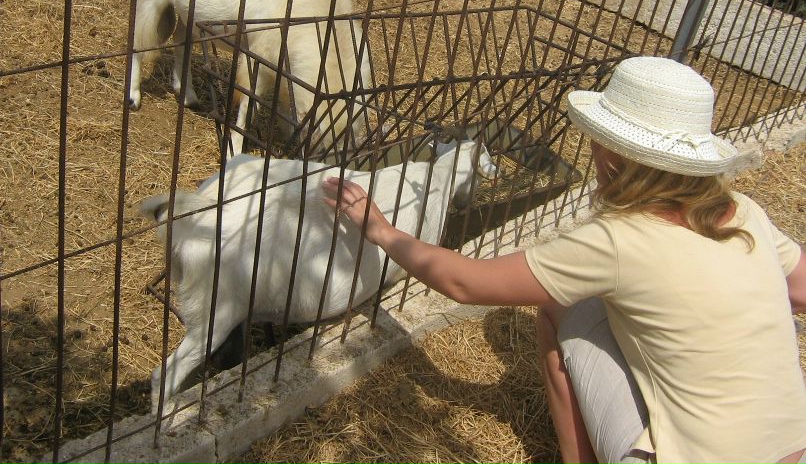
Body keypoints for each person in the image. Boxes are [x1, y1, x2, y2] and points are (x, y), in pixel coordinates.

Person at [321, 56, 806, 463]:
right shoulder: (744, 212)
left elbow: (466, 283)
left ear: (615, 155)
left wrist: (381, 230)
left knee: (559, 309)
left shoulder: (621, 238)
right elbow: (800, 292)